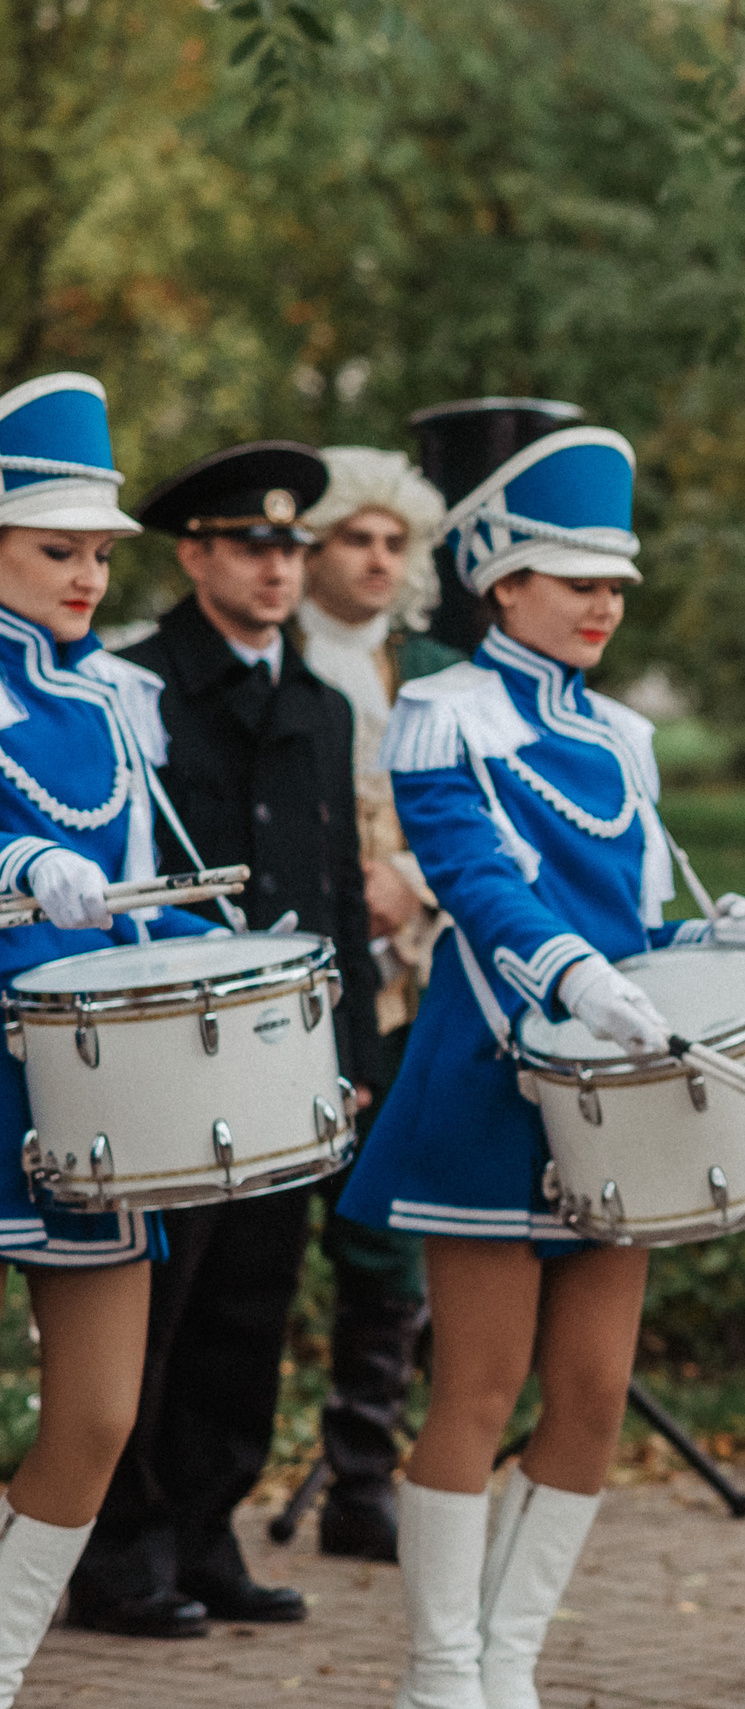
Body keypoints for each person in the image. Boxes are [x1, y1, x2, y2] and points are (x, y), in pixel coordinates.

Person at [334, 422, 745, 1709]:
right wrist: (581, 976)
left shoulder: (624, 738)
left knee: (588, 1399)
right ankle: (440, 1669)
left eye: (616, 584)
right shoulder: (439, 713)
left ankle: (506, 1658)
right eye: (577, 578)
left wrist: (703, 940)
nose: (602, 604)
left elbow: (632, 909)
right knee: (476, 1386)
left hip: (616, 1101)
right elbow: (472, 880)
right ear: (502, 581)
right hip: (489, 1082)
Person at [69, 440, 385, 1634]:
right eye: (252, 544)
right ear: (195, 553)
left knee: (252, 1301)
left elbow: (343, 888)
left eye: (292, 545)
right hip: (169, 1050)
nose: (278, 566)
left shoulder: (318, 701)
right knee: (162, 1297)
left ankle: (207, 1533)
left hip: (288, 1054)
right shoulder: (136, 683)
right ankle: (121, 1544)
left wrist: (350, 1051)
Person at [0, 372, 222, 1696]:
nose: (88, 575)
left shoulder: (117, 707)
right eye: (56, 551)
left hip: (88, 1095)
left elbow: (136, 901)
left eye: (98, 553)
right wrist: (24, 865)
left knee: (96, 1417)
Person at [293, 445, 456, 1560]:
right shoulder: (269, 659)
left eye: (394, 542)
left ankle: (362, 1474)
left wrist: (420, 882)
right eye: (356, 536)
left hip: (410, 981)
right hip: (293, 980)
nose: (376, 558)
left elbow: (480, 805)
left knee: (385, 1236)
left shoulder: (437, 667)